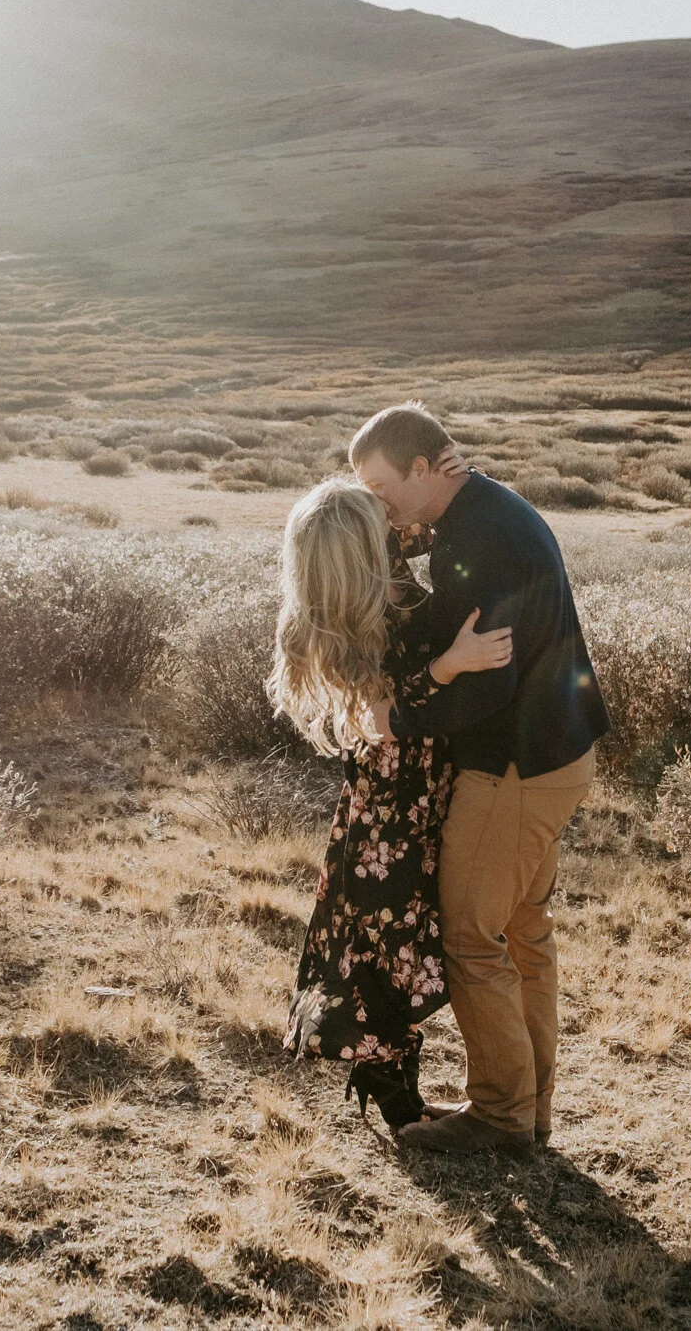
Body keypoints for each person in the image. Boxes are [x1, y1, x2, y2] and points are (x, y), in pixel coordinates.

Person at [350, 401, 609, 1156]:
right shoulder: (486, 510)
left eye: (380, 487)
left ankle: (500, 1116)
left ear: (424, 469)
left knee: (470, 934)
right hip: (558, 753)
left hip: (514, 767)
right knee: (523, 931)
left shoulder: (475, 541)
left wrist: (398, 718)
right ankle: (529, 1108)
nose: (377, 505)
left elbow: (488, 683)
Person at [269, 477, 514, 1132]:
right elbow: (375, 720)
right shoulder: (355, 623)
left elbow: (437, 518)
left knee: (411, 936)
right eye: (374, 516)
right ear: (356, 550)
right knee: (388, 945)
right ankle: (388, 1081)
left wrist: (431, 478)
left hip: (430, 791)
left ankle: (392, 1076)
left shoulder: (393, 576)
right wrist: (450, 665)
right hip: (389, 808)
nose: (390, 520)